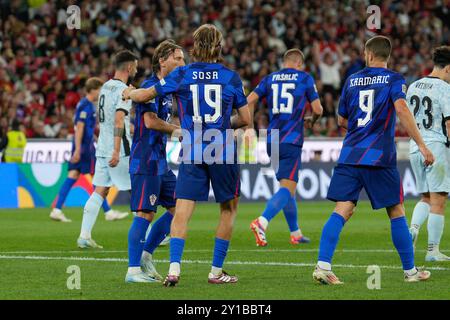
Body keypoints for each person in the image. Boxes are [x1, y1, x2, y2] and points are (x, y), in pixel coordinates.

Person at [123, 24, 251, 286]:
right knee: (228, 209)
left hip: (192, 148)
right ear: (219, 46)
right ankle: (216, 272)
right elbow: (246, 118)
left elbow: (146, 94)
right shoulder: (231, 77)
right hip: (221, 149)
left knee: (181, 209)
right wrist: (222, 124)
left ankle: (174, 270)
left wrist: (127, 92)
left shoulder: (182, 74)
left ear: (195, 46)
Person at [313, 36, 435, 285]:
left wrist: (360, 130)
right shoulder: (394, 79)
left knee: (343, 209)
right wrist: (422, 145)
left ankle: (323, 266)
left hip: (350, 155)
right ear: (387, 56)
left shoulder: (352, 79)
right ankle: (410, 272)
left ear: (367, 54)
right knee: (396, 211)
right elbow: (401, 109)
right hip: (379, 156)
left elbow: (342, 121)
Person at [248, 48, 323, 246]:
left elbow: (249, 101)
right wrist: (312, 120)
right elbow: (318, 109)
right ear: (299, 63)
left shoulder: (270, 78)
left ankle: (295, 233)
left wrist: (249, 128)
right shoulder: (305, 78)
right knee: (287, 187)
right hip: (291, 139)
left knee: (286, 187)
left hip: (271, 139)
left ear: (285, 62)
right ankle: (261, 222)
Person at [125, 39, 185, 283]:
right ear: (162, 60)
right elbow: (150, 121)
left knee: (178, 207)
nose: (183, 62)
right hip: (145, 160)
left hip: (160, 161)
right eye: (178, 58)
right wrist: (176, 130)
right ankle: (132, 271)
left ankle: (146, 255)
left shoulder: (167, 89)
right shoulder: (151, 85)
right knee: (145, 213)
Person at [77, 50, 137, 249]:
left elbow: (108, 118)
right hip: (117, 149)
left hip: (102, 146)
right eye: (135, 65)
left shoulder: (105, 87)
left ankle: (84, 235)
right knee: (136, 188)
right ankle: (148, 232)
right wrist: (117, 149)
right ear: (129, 67)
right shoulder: (123, 90)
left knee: (100, 191)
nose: (136, 68)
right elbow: (119, 119)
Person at [50, 77, 129, 223]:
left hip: (84, 145)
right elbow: (79, 127)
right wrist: (78, 149)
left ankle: (57, 209)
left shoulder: (86, 105)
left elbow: (85, 128)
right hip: (85, 148)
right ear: (93, 90)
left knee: (73, 176)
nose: (100, 93)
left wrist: (93, 138)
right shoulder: (85, 105)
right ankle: (108, 212)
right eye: (99, 89)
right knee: (98, 178)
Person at [408, 46, 450, 261]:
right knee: (438, 199)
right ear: (448, 69)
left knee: (425, 196)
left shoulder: (414, 85)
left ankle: (413, 229)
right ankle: (433, 251)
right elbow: (449, 122)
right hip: (436, 147)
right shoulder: (444, 88)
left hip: (415, 147)